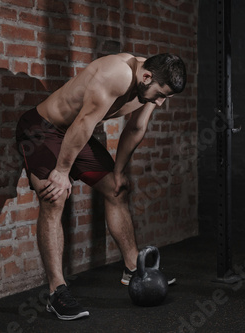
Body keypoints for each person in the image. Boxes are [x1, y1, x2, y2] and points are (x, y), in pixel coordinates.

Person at [15, 53, 187, 320]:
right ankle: (56, 291)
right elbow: (85, 123)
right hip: (43, 130)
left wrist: (118, 172)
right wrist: (61, 171)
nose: (160, 102)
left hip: (74, 132)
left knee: (117, 189)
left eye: (165, 97)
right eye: (160, 95)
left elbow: (135, 128)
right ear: (146, 77)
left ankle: (133, 269)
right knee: (55, 197)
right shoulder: (117, 74)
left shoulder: (151, 86)